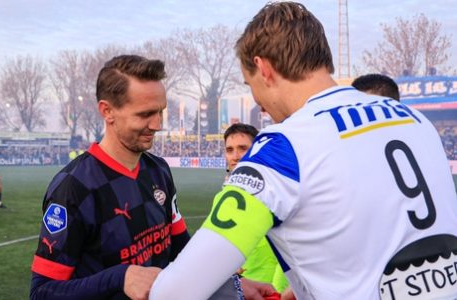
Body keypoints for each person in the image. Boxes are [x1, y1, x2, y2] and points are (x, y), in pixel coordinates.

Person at [149, 2, 457, 299]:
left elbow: (174, 292)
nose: (256, 100)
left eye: (249, 83)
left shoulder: (282, 148)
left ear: (263, 68)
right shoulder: (415, 120)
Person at [29, 55, 192, 299]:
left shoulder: (158, 169)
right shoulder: (74, 187)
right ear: (107, 111)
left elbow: (181, 248)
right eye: (145, 114)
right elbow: (42, 293)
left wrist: (231, 281)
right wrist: (119, 278)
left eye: (160, 112)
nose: (157, 124)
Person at [224, 123, 289, 294]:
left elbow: (288, 251)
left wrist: (278, 291)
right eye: (229, 150)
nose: (235, 156)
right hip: (241, 289)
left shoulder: (273, 194)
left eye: (242, 148)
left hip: (268, 290)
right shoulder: (226, 195)